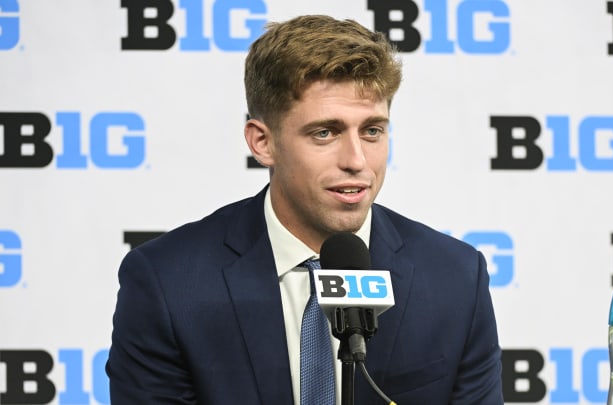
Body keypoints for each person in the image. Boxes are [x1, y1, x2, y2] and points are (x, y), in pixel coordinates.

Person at [106, 14, 503, 404]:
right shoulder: (167, 284)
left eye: (372, 131)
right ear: (262, 142)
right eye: (325, 132)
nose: (357, 160)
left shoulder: (456, 280)